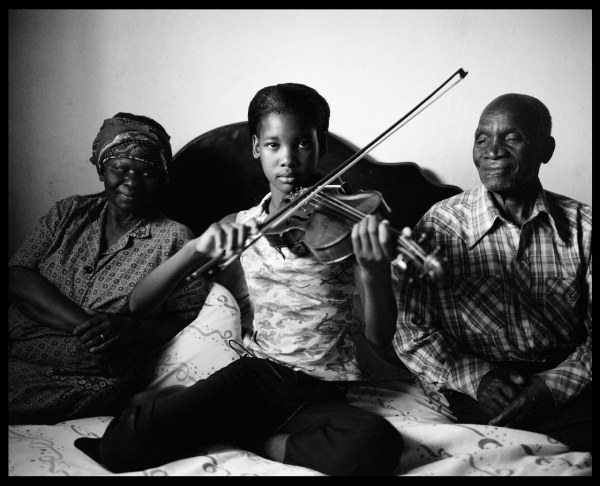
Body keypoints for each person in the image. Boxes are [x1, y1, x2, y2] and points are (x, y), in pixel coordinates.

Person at [76, 83, 406, 476]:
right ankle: (210, 413)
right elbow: (139, 304)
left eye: (303, 143)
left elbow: (379, 339)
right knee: (122, 445)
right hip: (256, 377)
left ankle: (263, 441)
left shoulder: (349, 223)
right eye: (273, 145)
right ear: (255, 147)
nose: (288, 159)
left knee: (377, 443)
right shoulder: (241, 225)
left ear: (321, 146)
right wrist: (195, 249)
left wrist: (373, 271)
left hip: (322, 392)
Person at [392, 93, 592, 453]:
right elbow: (411, 330)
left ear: (546, 149)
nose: (493, 151)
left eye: (512, 137)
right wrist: (478, 379)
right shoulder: (440, 224)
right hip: (479, 380)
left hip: (564, 374)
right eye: (481, 139)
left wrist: (552, 387)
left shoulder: (585, 227)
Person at [8, 113, 210, 425]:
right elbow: (17, 276)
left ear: (162, 178)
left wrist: (129, 329)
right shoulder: (68, 212)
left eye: (148, 173)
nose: (132, 182)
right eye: (121, 169)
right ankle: (127, 404)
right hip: (17, 350)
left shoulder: (174, 238)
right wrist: (89, 326)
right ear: (102, 168)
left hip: (88, 374)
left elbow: (184, 318)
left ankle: (123, 401)